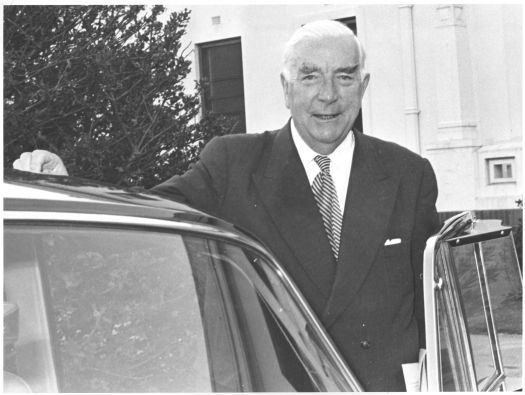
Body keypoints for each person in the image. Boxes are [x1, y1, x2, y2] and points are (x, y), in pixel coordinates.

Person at [13, 20, 439, 391]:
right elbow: (146, 212)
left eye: (344, 77)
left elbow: (432, 315)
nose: (328, 95)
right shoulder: (233, 164)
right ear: (285, 89)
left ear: (363, 87)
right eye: (310, 77)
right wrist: (71, 183)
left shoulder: (408, 174)